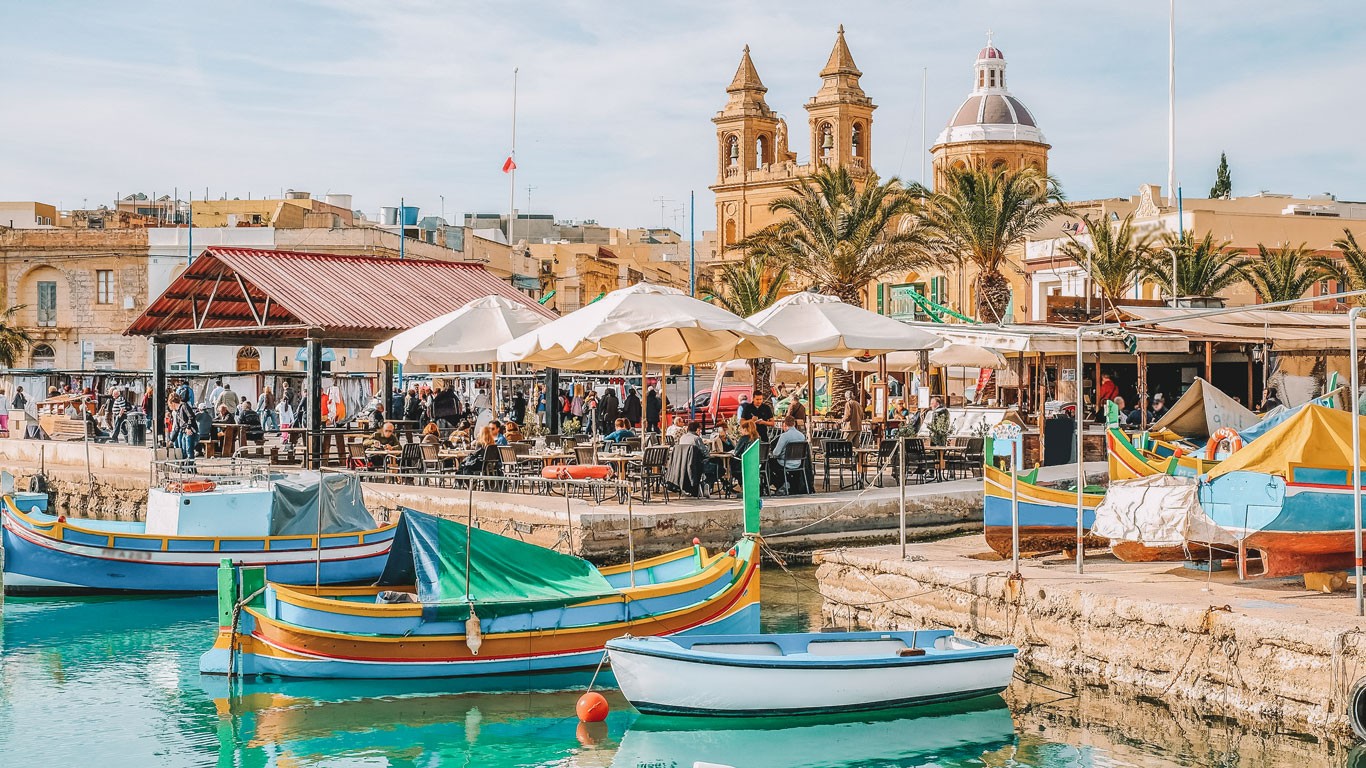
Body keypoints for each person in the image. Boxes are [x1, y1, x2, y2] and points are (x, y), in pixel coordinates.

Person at [770, 415, 809, 488]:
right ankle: (788, 483)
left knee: (769, 464)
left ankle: (780, 484)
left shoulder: (784, 436)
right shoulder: (802, 436)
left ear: (784, 424)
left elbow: (776, 453)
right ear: (794, 424)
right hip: (798, 462)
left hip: (784, 462)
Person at [169, 393, 197, 459]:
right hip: (185, 431)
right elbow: (177, 427)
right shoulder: (178, 412)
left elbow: (191, 416)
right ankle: (187, 467)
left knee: (189, 451)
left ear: (173, 403)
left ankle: (190, 467)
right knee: (184, 452)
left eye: (170, 405)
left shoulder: (184, 406)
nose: (170, 407)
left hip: (190, 431)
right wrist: (172, 440)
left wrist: (188, 427)